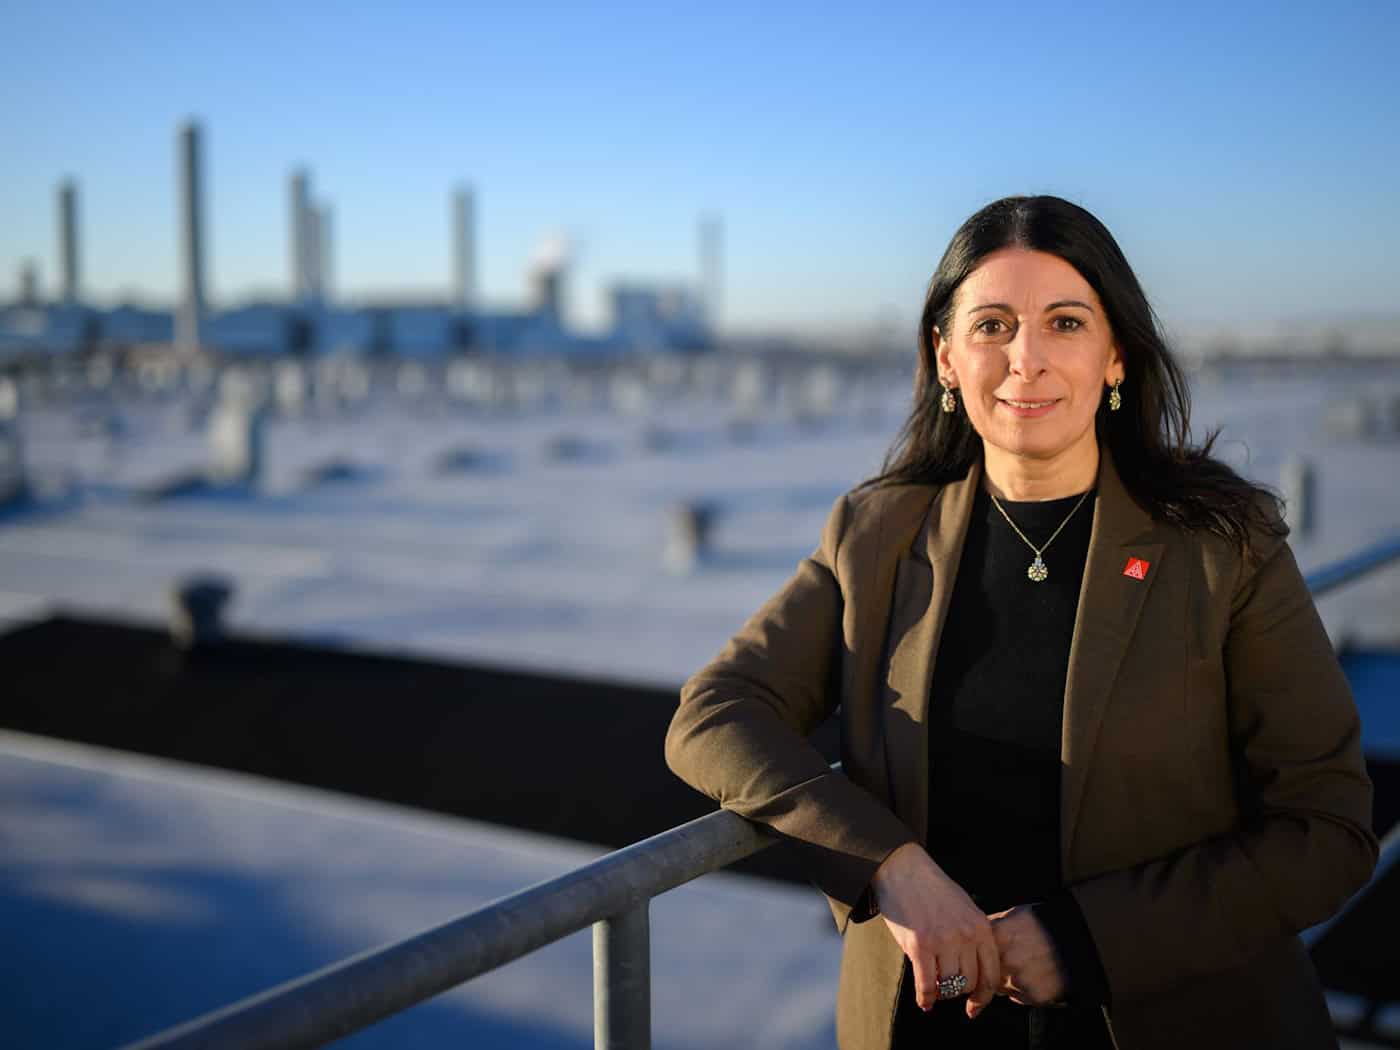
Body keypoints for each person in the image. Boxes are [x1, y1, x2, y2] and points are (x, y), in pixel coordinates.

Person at [663, 195, 1378, 1050]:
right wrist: (888, 865)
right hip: (930, 1028)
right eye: (993, 325)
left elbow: (1326, 831)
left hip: (1174, 1018)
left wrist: (1087, 938)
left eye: (1065, 323)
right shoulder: (876, 534)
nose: (1025, 360)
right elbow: (714, 714)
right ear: (946, 359)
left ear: (1116, 356)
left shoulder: (1224, 549)